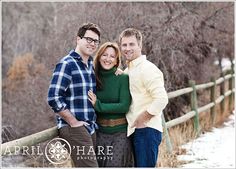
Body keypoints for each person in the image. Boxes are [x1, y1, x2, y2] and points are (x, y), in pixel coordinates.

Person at [47, 23, 101, 167]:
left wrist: (120, 71)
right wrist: (73, 122)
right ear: (78, 39)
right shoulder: (67, 64)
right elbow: (53, 97)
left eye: (96, 41)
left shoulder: (90, 65)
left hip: (90, 126)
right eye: (89, 39)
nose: (92, 44)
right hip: (74, 128)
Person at [119, 28, 169, 167]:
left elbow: (161, 98)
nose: (127, 48)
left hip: (147, 130)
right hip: (135, 130)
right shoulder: (128, 70)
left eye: (131, 44)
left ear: (140, 46)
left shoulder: (147, 69)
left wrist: (143, 118)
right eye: (124, 45)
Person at [88, 42, 134, 167]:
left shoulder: (122, 78)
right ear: (99, 57)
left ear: (116, 61)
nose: (108, 59)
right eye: (105, 55)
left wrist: (99, 105)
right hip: (99, 134)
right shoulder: (92, 78)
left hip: (120, 134)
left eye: (112, 56)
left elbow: (124, 106)